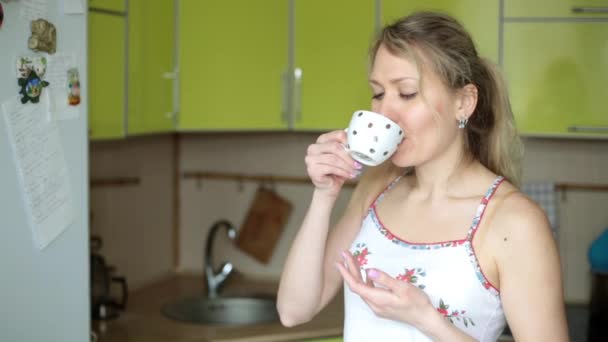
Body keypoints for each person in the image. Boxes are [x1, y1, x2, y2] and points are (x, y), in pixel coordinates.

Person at [277, 11, 568, 342]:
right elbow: (293, 310)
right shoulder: (377, 187)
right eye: (378, 92)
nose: (384, 112)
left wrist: (427, 320)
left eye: (407, 93)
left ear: (464, 102)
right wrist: (323, 196)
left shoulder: (514, 221)